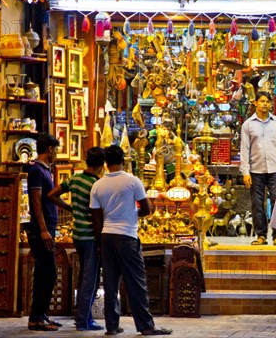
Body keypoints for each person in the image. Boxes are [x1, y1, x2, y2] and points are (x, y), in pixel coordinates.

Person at [90, 145, 172, 336]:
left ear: (105, 163)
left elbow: (96, 219)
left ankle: (112, 326)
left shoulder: (98, 185)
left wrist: (99, 243)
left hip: (106, 236)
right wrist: (131, 213)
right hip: (127, 236)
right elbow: (146, 209)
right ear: (123, 160)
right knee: (136, 282)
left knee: (110, 284)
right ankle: (145, 325)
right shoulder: (132, 181)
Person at [47, 147, 106, 331]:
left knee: (84, 276)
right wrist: (99, 241)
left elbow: (51, 195)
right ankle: (83, 320)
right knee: (91, 279)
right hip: (90, 236)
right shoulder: (97, 184)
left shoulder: (75, 178)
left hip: (78, 235)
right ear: (101, 165)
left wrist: (70, 208)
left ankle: (83, 315)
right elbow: (98, 216)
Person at [240, 91, 276, 246]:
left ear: (270, 104)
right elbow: (244, 149)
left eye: (267, 101)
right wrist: (245, 171)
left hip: (275, 169)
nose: (265, 104)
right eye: (262, 101)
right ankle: (261, 235)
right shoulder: (248, 125)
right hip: (256, 171)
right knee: (257, 204)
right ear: (256, 103)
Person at [24, 133, 67, 331]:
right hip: (40, 229)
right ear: (49, 149)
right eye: (56, 149)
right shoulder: (36, 171)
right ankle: (36, 318)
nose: (57, 153)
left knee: (44, 272)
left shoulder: (44, 170)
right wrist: (42, 230)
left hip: (47, 228)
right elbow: (35, 201)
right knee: (48, 272)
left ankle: (40, 315)